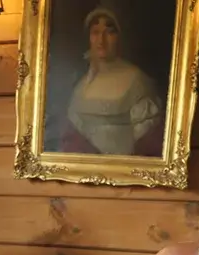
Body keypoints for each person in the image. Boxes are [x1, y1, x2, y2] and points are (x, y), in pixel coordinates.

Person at [59, 4, 165, 156]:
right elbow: (70, 140)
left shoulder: (136, 81)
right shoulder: (82, 86)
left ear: (120, 37)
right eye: (95, 32)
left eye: (109, 32)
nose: (101, 40)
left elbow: (147, 145)